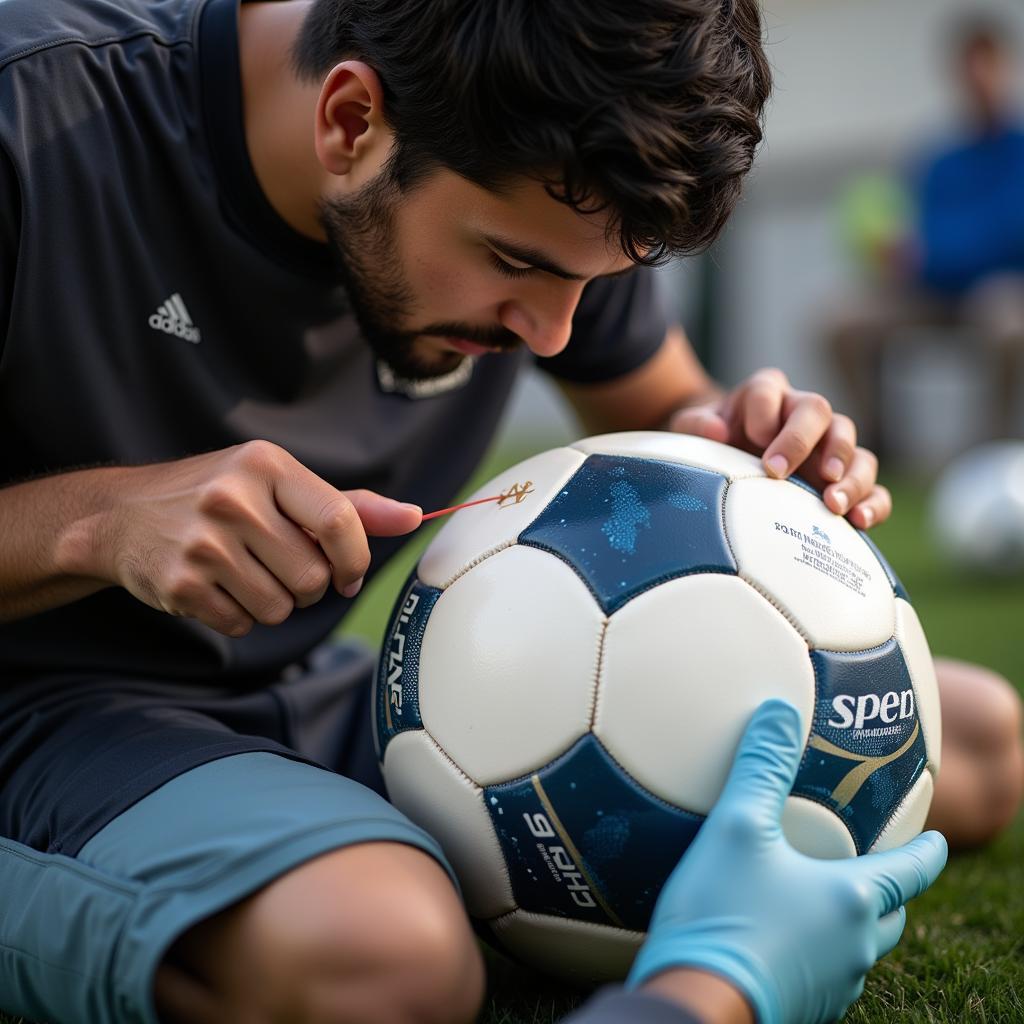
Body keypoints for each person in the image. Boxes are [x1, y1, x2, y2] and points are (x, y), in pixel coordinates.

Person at [0, 1, 1009, 1022]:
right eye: (517, 266)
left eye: (589, 283)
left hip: (326, 694)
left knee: (964, 739)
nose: (551, 330)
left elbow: (669, 410)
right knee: (386, 964)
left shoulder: (558, 193)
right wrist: (99, 521)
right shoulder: (30, 117)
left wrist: (745, 447)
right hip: (40, 714)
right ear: (351, 122)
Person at [830, 14, 1024, 448]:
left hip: (999, 293)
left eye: (988, 65)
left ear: (1006, 68)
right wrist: (894, 254)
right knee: (842, 322)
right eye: (970, 67)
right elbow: (915, 230)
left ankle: (990, 450)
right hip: (935, 295)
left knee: (1007, 318)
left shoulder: (1020, 151)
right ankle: (880, 445)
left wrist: (929, 252)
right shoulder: (938, 159)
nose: (980, 79)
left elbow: (1009, 232)